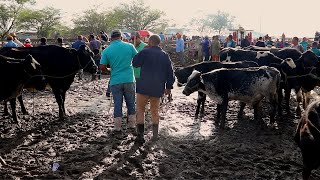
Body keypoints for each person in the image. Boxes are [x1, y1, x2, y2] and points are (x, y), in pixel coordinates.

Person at [132, 34, 175, 143]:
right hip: (157, 87)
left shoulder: (145, 52)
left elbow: (135, 63)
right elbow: (170, 73)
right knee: (155, 111)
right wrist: (168, 87)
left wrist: (142, 50)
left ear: (150, 42)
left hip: (143, 86)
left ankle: (140, 136)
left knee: (140, 110)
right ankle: (155, 136)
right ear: (159, 43)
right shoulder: (165, 55)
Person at [100, 29, 137, 132]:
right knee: (131, 102)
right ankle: (132, 124)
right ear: (121, 37)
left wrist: (109, 71)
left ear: (111, 38)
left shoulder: (107, 50)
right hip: (129, 78)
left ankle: (117, 126)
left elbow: (102, 66)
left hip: (115, 80)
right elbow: (137, 59)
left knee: (117, 104)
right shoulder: (130, 46)